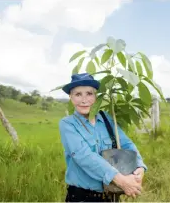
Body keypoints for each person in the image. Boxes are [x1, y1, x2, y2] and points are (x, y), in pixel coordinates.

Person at [59, 73, 148, 202]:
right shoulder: (68, 124)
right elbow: (83, 156)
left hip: (111, 196)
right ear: (71, 97)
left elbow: (127, 144)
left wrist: (139, 166)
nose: (84, 100)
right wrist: (120, 179)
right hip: (82, 197)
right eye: (78, 94)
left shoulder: (106, 118)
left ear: (96, 96)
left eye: (89, 93)